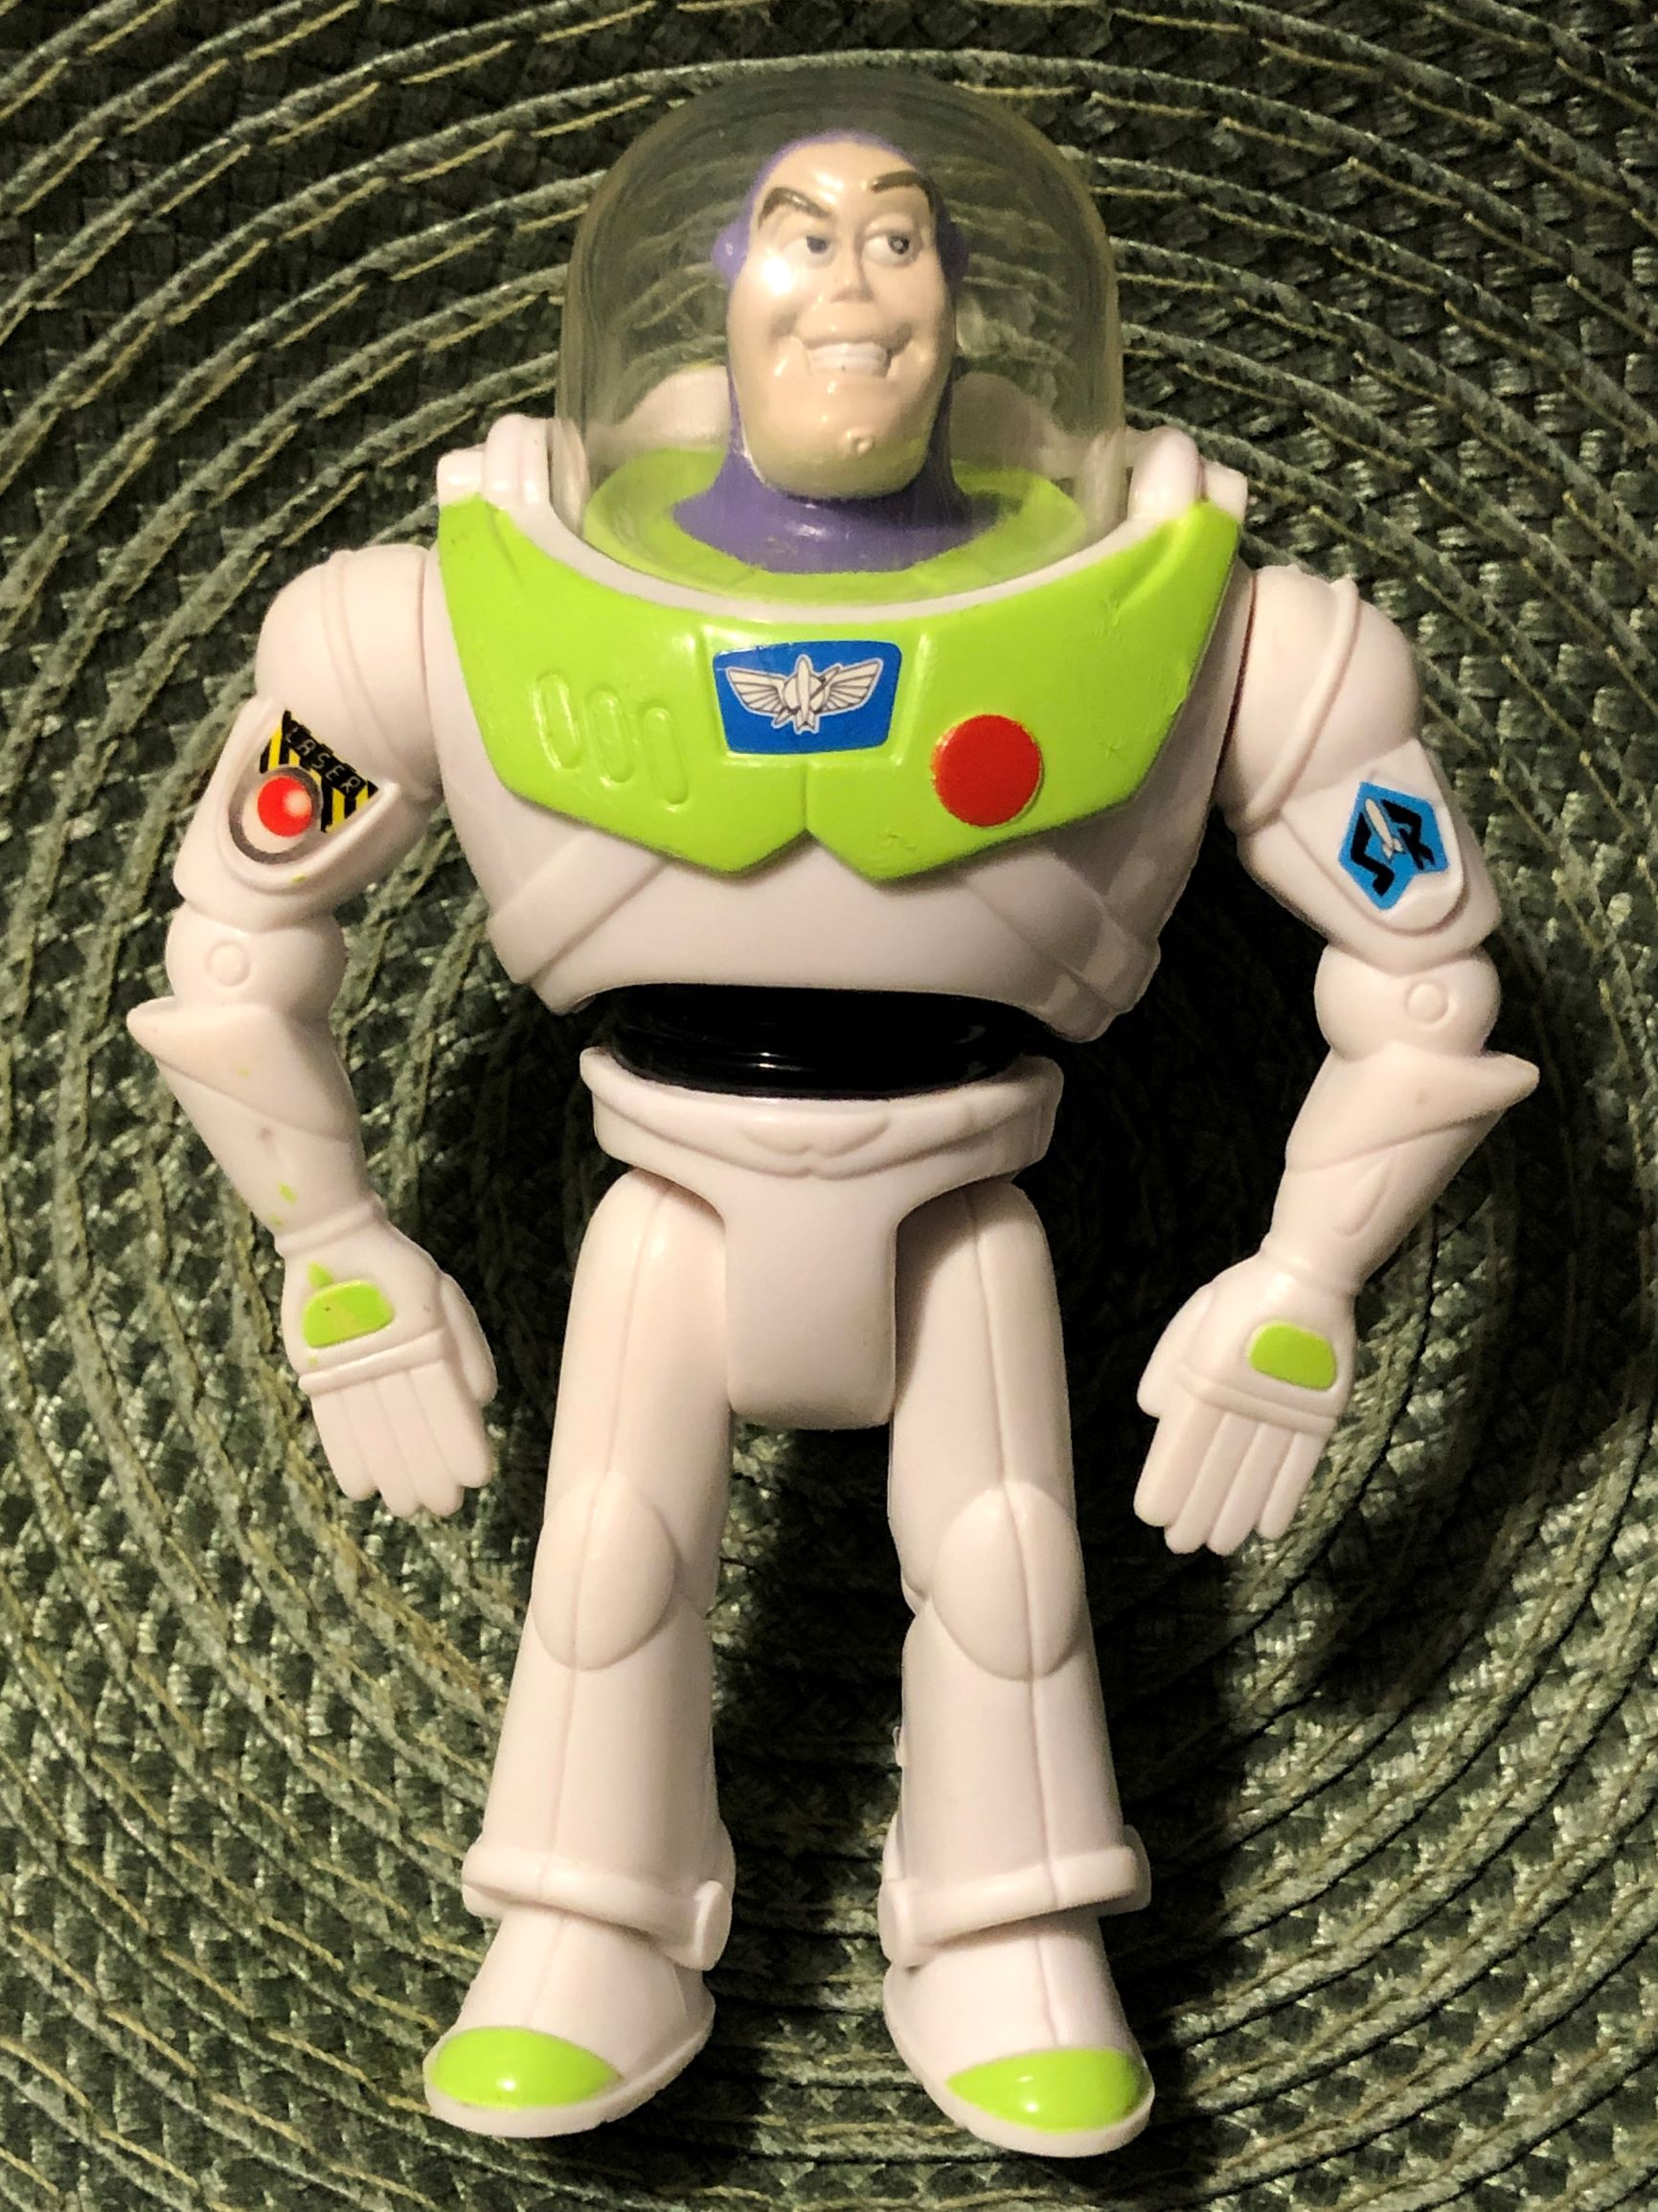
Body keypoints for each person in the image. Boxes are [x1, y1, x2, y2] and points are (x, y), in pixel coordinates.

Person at [129, 74, 1534, 2159]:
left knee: (1010, 1568)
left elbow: (1422, 989)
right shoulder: (436, 616)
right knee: (605, 1559)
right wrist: (335, 1257)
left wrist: (1306, 1282)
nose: (850, 283)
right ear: (712, 302)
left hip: (966, 1187)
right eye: (801, 233)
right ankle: (584, 1919)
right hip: (667, 1187)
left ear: (966, 311)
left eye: (898, 237)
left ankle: (1007, 1924)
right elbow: (240, 947)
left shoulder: (1227, 633)